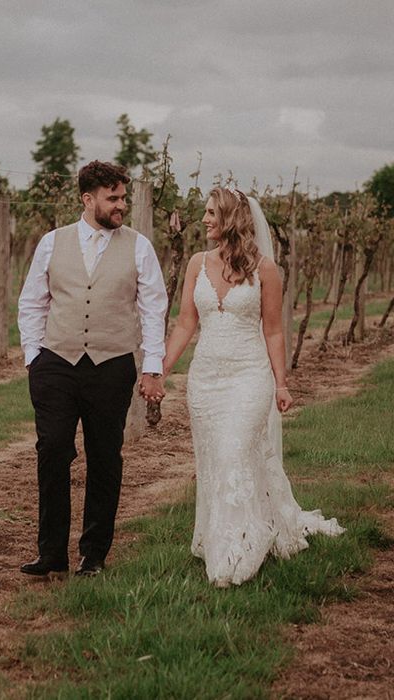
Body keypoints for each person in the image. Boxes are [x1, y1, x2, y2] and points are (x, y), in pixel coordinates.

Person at [162, 186, 344, 587]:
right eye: (205, 212)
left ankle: (240, 546)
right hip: (206, 379)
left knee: (234, 453)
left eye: (212, 213)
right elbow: (185, 323)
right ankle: (224, 533)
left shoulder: (266, 270)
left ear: (231, 219)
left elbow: (274, 331)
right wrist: (161, 369)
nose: (205, 219)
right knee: (215, 461)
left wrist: (281, 383)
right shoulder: (196, 263)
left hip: (249, 376)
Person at [17, 160, 168, 578]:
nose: (121, 205)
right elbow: (32, 301)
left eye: (124, 197)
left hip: (111, 364)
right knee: (52, 451)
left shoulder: (138, 246)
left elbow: (154, 308)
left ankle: (94, 554)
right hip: (56, 363)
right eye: (113, 198)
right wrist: (35, 357)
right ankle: (51, 553)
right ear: (88, 199)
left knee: (105, 458)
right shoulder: (52, 242)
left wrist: (151, 365)